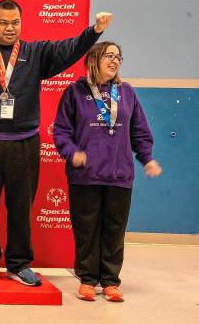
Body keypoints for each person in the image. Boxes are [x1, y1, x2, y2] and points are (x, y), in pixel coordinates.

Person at [0, 0, 113, 287]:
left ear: (21, 23)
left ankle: (19, 264)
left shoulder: (36, 53)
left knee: (21, 206)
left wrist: (94, 31)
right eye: (3, 22)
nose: (10, 28)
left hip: (25, 143)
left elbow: (69, 50)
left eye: (15, 22)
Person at [53, 41, 162, 302]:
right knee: (87, 229)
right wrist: (72, 153)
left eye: (118, 57)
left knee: (115, 229)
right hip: (85, 175)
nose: (114, 61)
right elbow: (61, 131)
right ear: (93, 59)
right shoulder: (75, 91)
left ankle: (111, 281)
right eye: (108, 56)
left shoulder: (127, 92)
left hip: (119, 174)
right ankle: (88, 280)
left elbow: (139, 130)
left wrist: (146, 158)